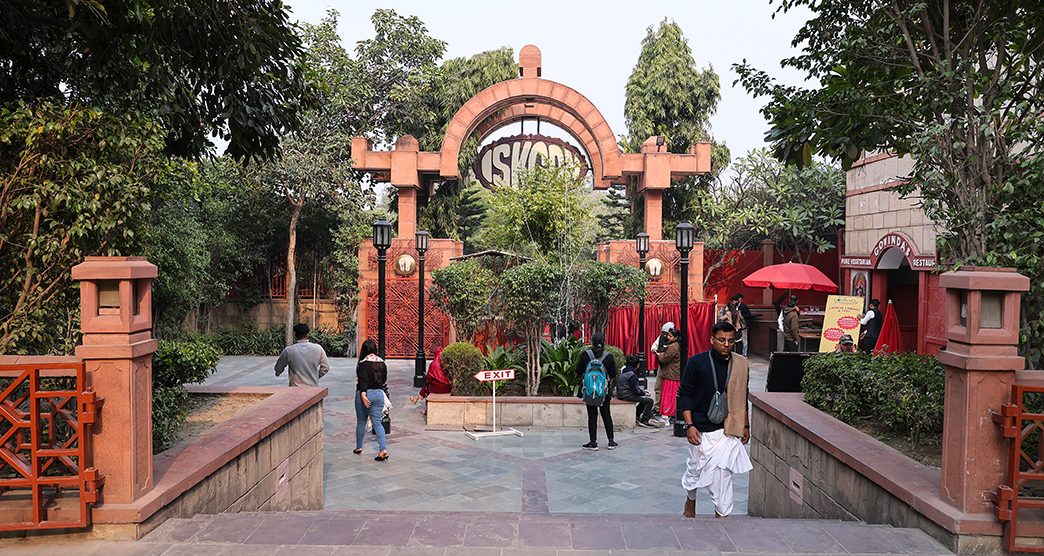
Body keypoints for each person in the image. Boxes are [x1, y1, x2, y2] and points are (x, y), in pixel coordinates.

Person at [677, 321, 752, 518]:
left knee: (723, 474)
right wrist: (689, 425)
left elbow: (743, 395)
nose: (726, 344)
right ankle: (691, 498)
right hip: (700, 429)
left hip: (726, 429)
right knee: (694, 469)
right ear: (712, 340)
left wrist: (745, 425)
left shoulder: (740, 365)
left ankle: (722, 516)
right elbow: (684, 394)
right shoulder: (696, 363)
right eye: (721, 340)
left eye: (730, 340)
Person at [576, 333, 618, 451]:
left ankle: (593, 442)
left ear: (592, 342)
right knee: (606, 414)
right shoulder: (608, 356)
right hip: (604, 391)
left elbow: (578, 371)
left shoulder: (586, 355)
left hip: (590, 391)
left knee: (592, 415)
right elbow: (614, 373)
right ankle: (611, 441)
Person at [355, 338, 389, 461]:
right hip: (379, 394)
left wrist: (363, 395)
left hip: (365, 393)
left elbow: (362, 380)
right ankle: (383, 449)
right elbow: (384, 380)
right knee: (377, 423)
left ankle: (359, 447)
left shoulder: (362, 364)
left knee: (361, 421)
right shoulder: (382, 362)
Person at [274, 323, 330, 387]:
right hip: (313, 388)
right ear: (307, 334)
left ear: (295, 334)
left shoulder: (289, 350)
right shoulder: (318, 348)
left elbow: (279, 366)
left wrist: (278, 372)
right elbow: (326, 367)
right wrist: (316, 376)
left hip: (295, 389)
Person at [617, 354, 658, 428]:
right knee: (650, 401)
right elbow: (636, 391)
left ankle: (637, 415)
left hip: (622, 393)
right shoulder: (632, 375)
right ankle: (645, 419)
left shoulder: (624, 370)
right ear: (637, 365)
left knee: (643, 400)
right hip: (626, 395)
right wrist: (644, 393)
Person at [655, 326, 682, 423]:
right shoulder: (677, 345)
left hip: (671, 374)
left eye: (670, 336)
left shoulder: (672, 346)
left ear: (675, 337)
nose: (668, 338)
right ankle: (672, 413)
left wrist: (660, 355)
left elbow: (664, 359)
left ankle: (669, 413)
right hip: (675, 372)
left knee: (669, 394)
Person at [651, 322, 674, 416]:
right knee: (658, 387)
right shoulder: (660, 338)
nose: (665, 336)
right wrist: (654, 350)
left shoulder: (674, 344)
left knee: (669, 390)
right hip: (662, 367)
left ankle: (668, 409)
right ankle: (657, 407)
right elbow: (654, 346)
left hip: (670, 369)